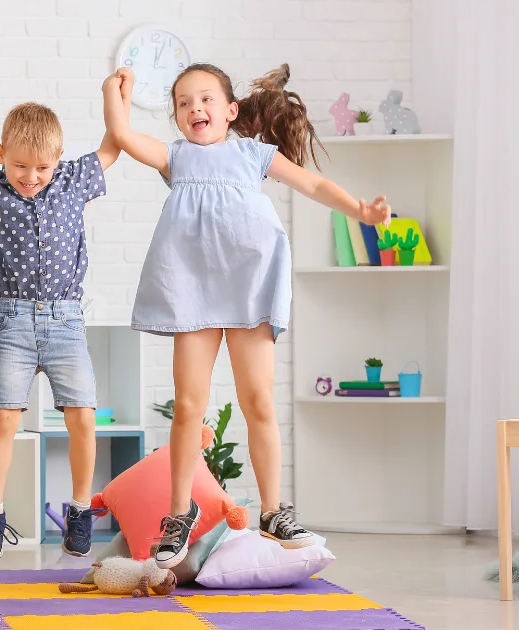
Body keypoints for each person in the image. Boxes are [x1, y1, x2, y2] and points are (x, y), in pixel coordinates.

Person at [113, 63, 390, 568]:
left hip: (249, 284)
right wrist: (119, 95)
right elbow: (124, 135)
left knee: (258, 399)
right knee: (188, 407)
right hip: (193, 291)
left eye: (206, 99)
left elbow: (312, 185)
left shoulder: (253, 153)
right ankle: (179, 513)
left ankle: (272, 511)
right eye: (183, 103)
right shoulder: (175, 158)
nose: (196, 108)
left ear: (231, 110)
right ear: (176, 118)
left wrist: (360, 212)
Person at [0, 69, 127, 561]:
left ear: (58, 161)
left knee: (83, 418)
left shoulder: (73, 180)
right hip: (13, 322)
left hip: (67, 321)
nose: (30, 177)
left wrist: (114, 94)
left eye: (42, 168)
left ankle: (79, 512)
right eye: (20, 165)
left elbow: (115, 143)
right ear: (1, 152)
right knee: (3, 419)